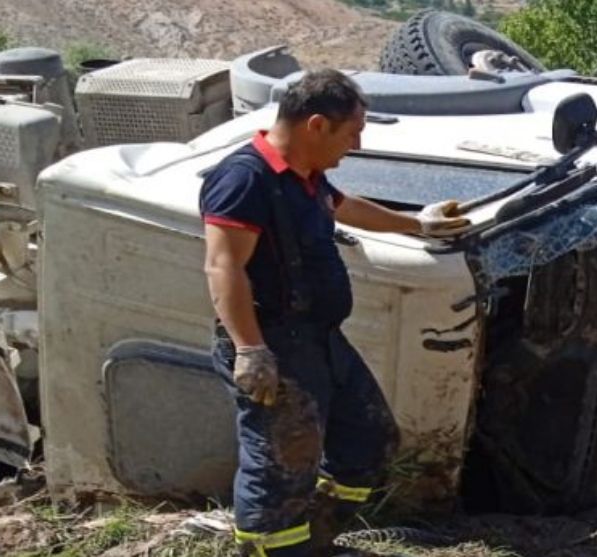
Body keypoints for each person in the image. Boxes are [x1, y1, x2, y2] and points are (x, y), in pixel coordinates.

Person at [200, 69, 470, 557]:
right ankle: (270, 548)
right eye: (353, 132)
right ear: (317, 125)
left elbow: (342, 208)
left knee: (369, 439)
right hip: (273, 344)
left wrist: (417, 225)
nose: (358, 145)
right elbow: (223, 267)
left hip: (320, 339)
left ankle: (314, 536)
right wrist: (250, 348)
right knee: (280, 464)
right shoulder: (244, 179)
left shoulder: (306, 175)